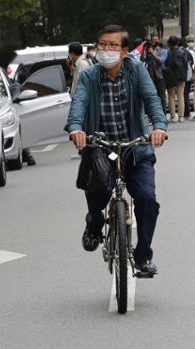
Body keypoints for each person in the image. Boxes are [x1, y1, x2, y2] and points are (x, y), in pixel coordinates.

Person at [65, 24, 167, 277]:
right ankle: (94, 224)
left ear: (124, 52)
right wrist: (76, 128)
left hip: (136, 148)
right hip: (100, 149)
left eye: (113, 46)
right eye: (102, 44)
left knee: (146, 199)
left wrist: (159, 127)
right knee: (96, 199)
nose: (106, 50)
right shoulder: (90, 76)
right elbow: (79, 103)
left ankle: (143, 256)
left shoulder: (137, 71)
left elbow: (152, 99)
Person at [164, 36, 187, 122]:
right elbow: (185, 65)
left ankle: (173, 116)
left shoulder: (168, 53)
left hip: (171, 77)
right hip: (181, 77)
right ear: (178, 43)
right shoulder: (182, 53)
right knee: (181, 95)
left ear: (169, 44)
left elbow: (166, 64)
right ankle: (181, 116)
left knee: (171, 97)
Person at [181, 38, 195, 119]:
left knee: (180, 94)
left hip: (179, 76)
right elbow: (192, 62)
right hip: (188, 75)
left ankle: (182, 112)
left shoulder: (174, 52)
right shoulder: (188, 53)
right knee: (186, 94)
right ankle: (187, 111)